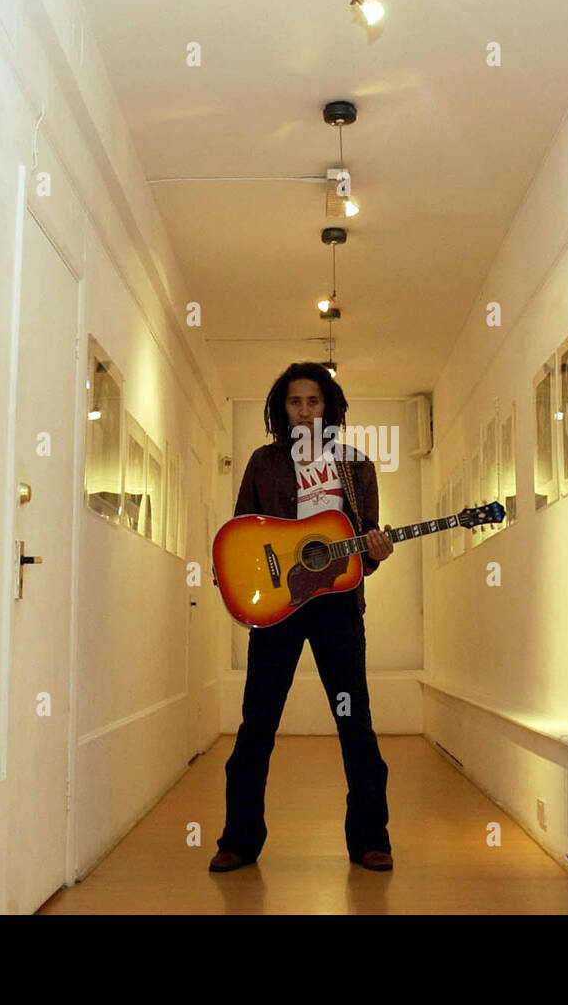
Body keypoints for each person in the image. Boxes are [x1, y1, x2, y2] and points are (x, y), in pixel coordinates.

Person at [210, 362, 396, 873]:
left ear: (329, 407)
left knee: (354, 722)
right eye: (296, 402)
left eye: (314, 402)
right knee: (257, 724)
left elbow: (366, 547)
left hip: (336, 607)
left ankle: (370, 839)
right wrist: (239, 583)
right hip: (277, 611)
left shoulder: (355, 467)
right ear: (281, 409)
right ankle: (238, 839)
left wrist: (376, 549)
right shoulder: (263, 462)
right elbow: (239, 533)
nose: (306, 411)